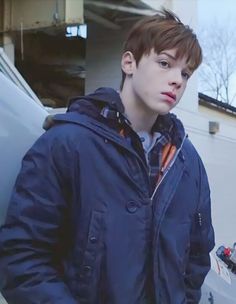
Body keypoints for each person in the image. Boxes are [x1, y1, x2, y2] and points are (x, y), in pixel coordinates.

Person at [0, 8, 215, 304]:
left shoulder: (186, 161)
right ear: (129, 62)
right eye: (165, 63)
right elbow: (23, 260)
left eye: (185, 73)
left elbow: (198, 257)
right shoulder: (66, 144)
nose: (177, 79)